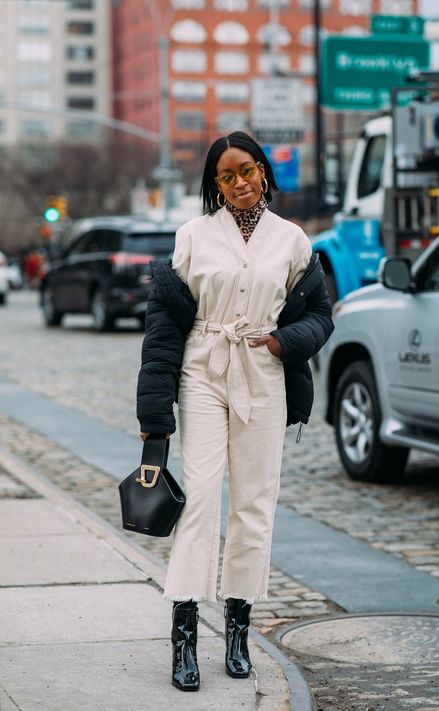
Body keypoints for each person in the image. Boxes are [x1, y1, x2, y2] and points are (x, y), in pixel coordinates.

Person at [136, 131, 334, 692]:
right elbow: (164, 325)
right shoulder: (193, 236)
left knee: (254, 504)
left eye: (246, 170)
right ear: (215, 184)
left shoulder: (293, 241)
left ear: (263, 171)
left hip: (264, 373)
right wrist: (154, 417)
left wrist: (281, 342)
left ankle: (239, 632)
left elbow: (321, 315)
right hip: (203, 368)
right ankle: (183, 639)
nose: (240, 182)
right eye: (227, 175)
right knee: (199, 499)